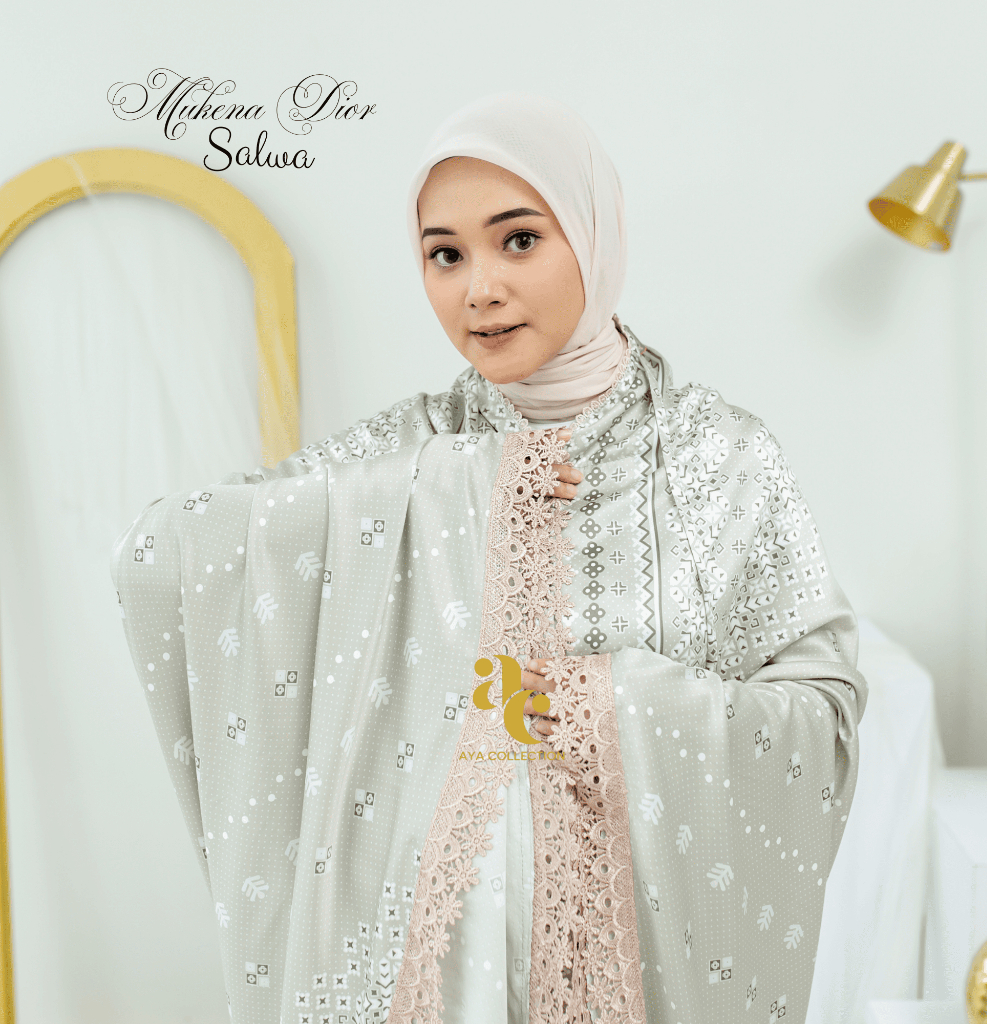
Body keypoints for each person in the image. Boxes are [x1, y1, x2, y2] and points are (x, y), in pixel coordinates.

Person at [114, 92, 867, 1024]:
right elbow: (160, 552)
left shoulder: (721, 460)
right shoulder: (408, 458)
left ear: (594, 237)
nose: (479, 288)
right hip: (440, 977)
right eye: (446, 255)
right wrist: (455, 487)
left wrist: (614, 704)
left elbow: (821, 717)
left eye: (518, 240)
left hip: (642, 974)